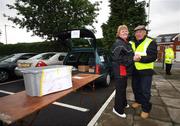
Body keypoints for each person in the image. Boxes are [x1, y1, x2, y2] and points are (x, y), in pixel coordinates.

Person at [130, 25, 157, 119]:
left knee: (145, 90)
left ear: (145, 32)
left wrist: (140, 59)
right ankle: (138, 101)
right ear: (135, 33)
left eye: (141, 31)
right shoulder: (132, 42)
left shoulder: (150, 42)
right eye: (137, 32)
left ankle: (146, 108)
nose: (139, 33)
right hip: (135, 70)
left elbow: (153, 57)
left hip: (146, 71)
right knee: (135, 88)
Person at [111, 25, 133, 118]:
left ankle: (123, 104)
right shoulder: (119, 43)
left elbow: (126, 55)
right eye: (122, 31)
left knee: (123, 88)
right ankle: (117, 109)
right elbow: (117, 59)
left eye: (126, 31)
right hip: (120, 70)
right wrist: (133, 59)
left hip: (123, 70)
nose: (125, 32)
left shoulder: (125, 42)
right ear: (119, 33)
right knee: (120, 90)